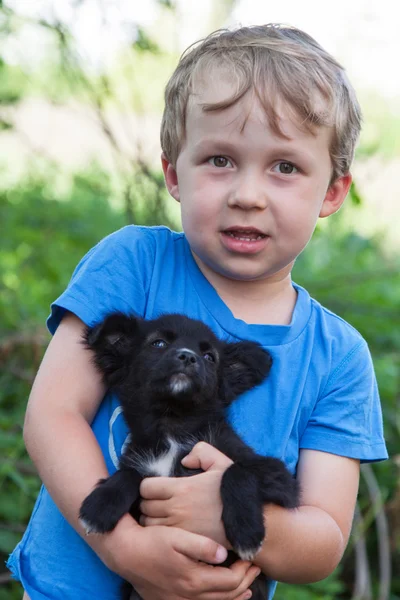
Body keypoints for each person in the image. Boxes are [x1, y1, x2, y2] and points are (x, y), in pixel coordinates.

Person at [8, 23, 387, 600]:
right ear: (173, 172)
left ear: (333, 192)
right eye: (219, 159)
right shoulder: (135, 263)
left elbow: (325, 538)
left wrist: (227, 510)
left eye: (285, 167)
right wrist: (128, 550)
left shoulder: (337, 358)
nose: (248, 194)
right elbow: (52, 414)